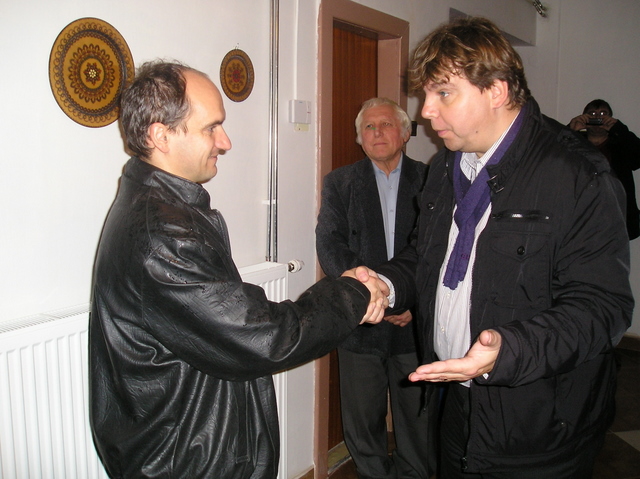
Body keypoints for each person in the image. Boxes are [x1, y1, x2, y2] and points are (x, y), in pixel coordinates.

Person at [89, 60, 389, 479]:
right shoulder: (164, 234)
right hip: (184, 461)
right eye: (211, 127)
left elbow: (226, 320)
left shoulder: (163, 208)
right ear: (160, 135)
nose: (225, 142)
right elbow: (264, 337)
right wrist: (353, 292)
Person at [366, 17, 634, 479]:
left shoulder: (577, 175)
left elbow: (603, 307)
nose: (426, 111)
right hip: (455, 402)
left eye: (443, 93)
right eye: (426, 94)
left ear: (497, 90)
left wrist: (509, 350)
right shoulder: (446, 166)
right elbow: (427, 257)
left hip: (539, 423)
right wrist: (385, 284)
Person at [316, 98, 435, 479]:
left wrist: (413, 301)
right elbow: (330, 244)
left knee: (417, 415)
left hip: (413, 322)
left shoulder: (432, 180)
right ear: (358, 138)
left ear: (405, 133)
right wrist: (369, 297)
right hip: (362, 320)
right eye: (368, 126)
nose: (377, 132)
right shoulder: (340, 183)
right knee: (362, 416)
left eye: (386, 124)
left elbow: (438, 249)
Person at [569, 99, 640, 239]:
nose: (597, 117)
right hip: (580, 217)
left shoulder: (620, 144)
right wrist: (570, 131)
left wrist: (619, 129)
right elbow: (552, 158)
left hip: (615, 217)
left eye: (603, 114)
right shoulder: (574, 143)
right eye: (592, 114)